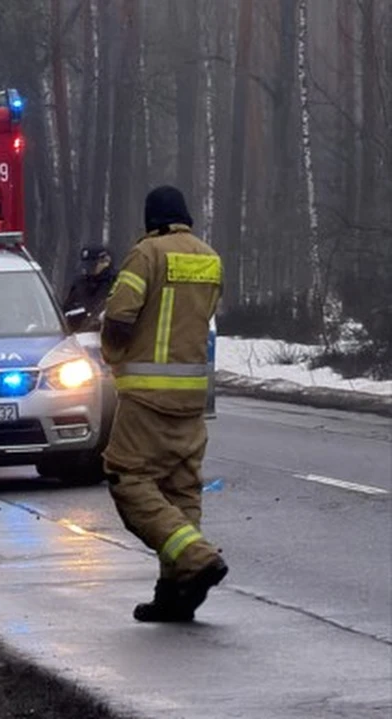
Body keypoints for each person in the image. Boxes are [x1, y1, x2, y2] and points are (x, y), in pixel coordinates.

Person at [100, 185, 228, 623]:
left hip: (147, 397)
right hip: (192, 398)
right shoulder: (210, 258)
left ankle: (196, 558)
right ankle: (176, 592)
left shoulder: (147, 254)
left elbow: (120, 316)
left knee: (127, 478)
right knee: (180, 488)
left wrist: (113, 355)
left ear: (151, 220)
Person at [61, 245, 116, 330]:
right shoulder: (80, 283)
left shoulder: (115, 282)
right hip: (79, 331)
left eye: (92, 265)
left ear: (105, 262)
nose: (88, 270)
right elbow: (67, 309)